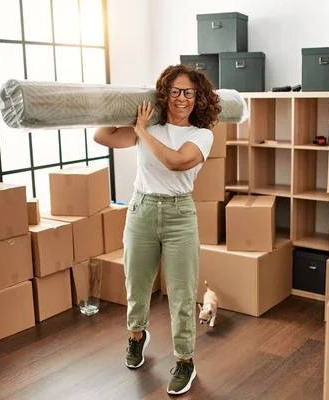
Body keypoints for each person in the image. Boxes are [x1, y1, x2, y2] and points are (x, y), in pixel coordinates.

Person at [94, 64, 221, 395]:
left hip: (180, 215)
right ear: (166, 93)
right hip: (142, 210)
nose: (182, 98)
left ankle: (185, 362)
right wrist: (123, 104)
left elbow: (177, 162)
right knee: (136, 283)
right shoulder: (148, 123)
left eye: (189, 92)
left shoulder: (201, 134)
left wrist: (142, 132)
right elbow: (101, 135)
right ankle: (136, 337)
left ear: (199, 97)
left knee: (181, 294)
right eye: (175, 91)